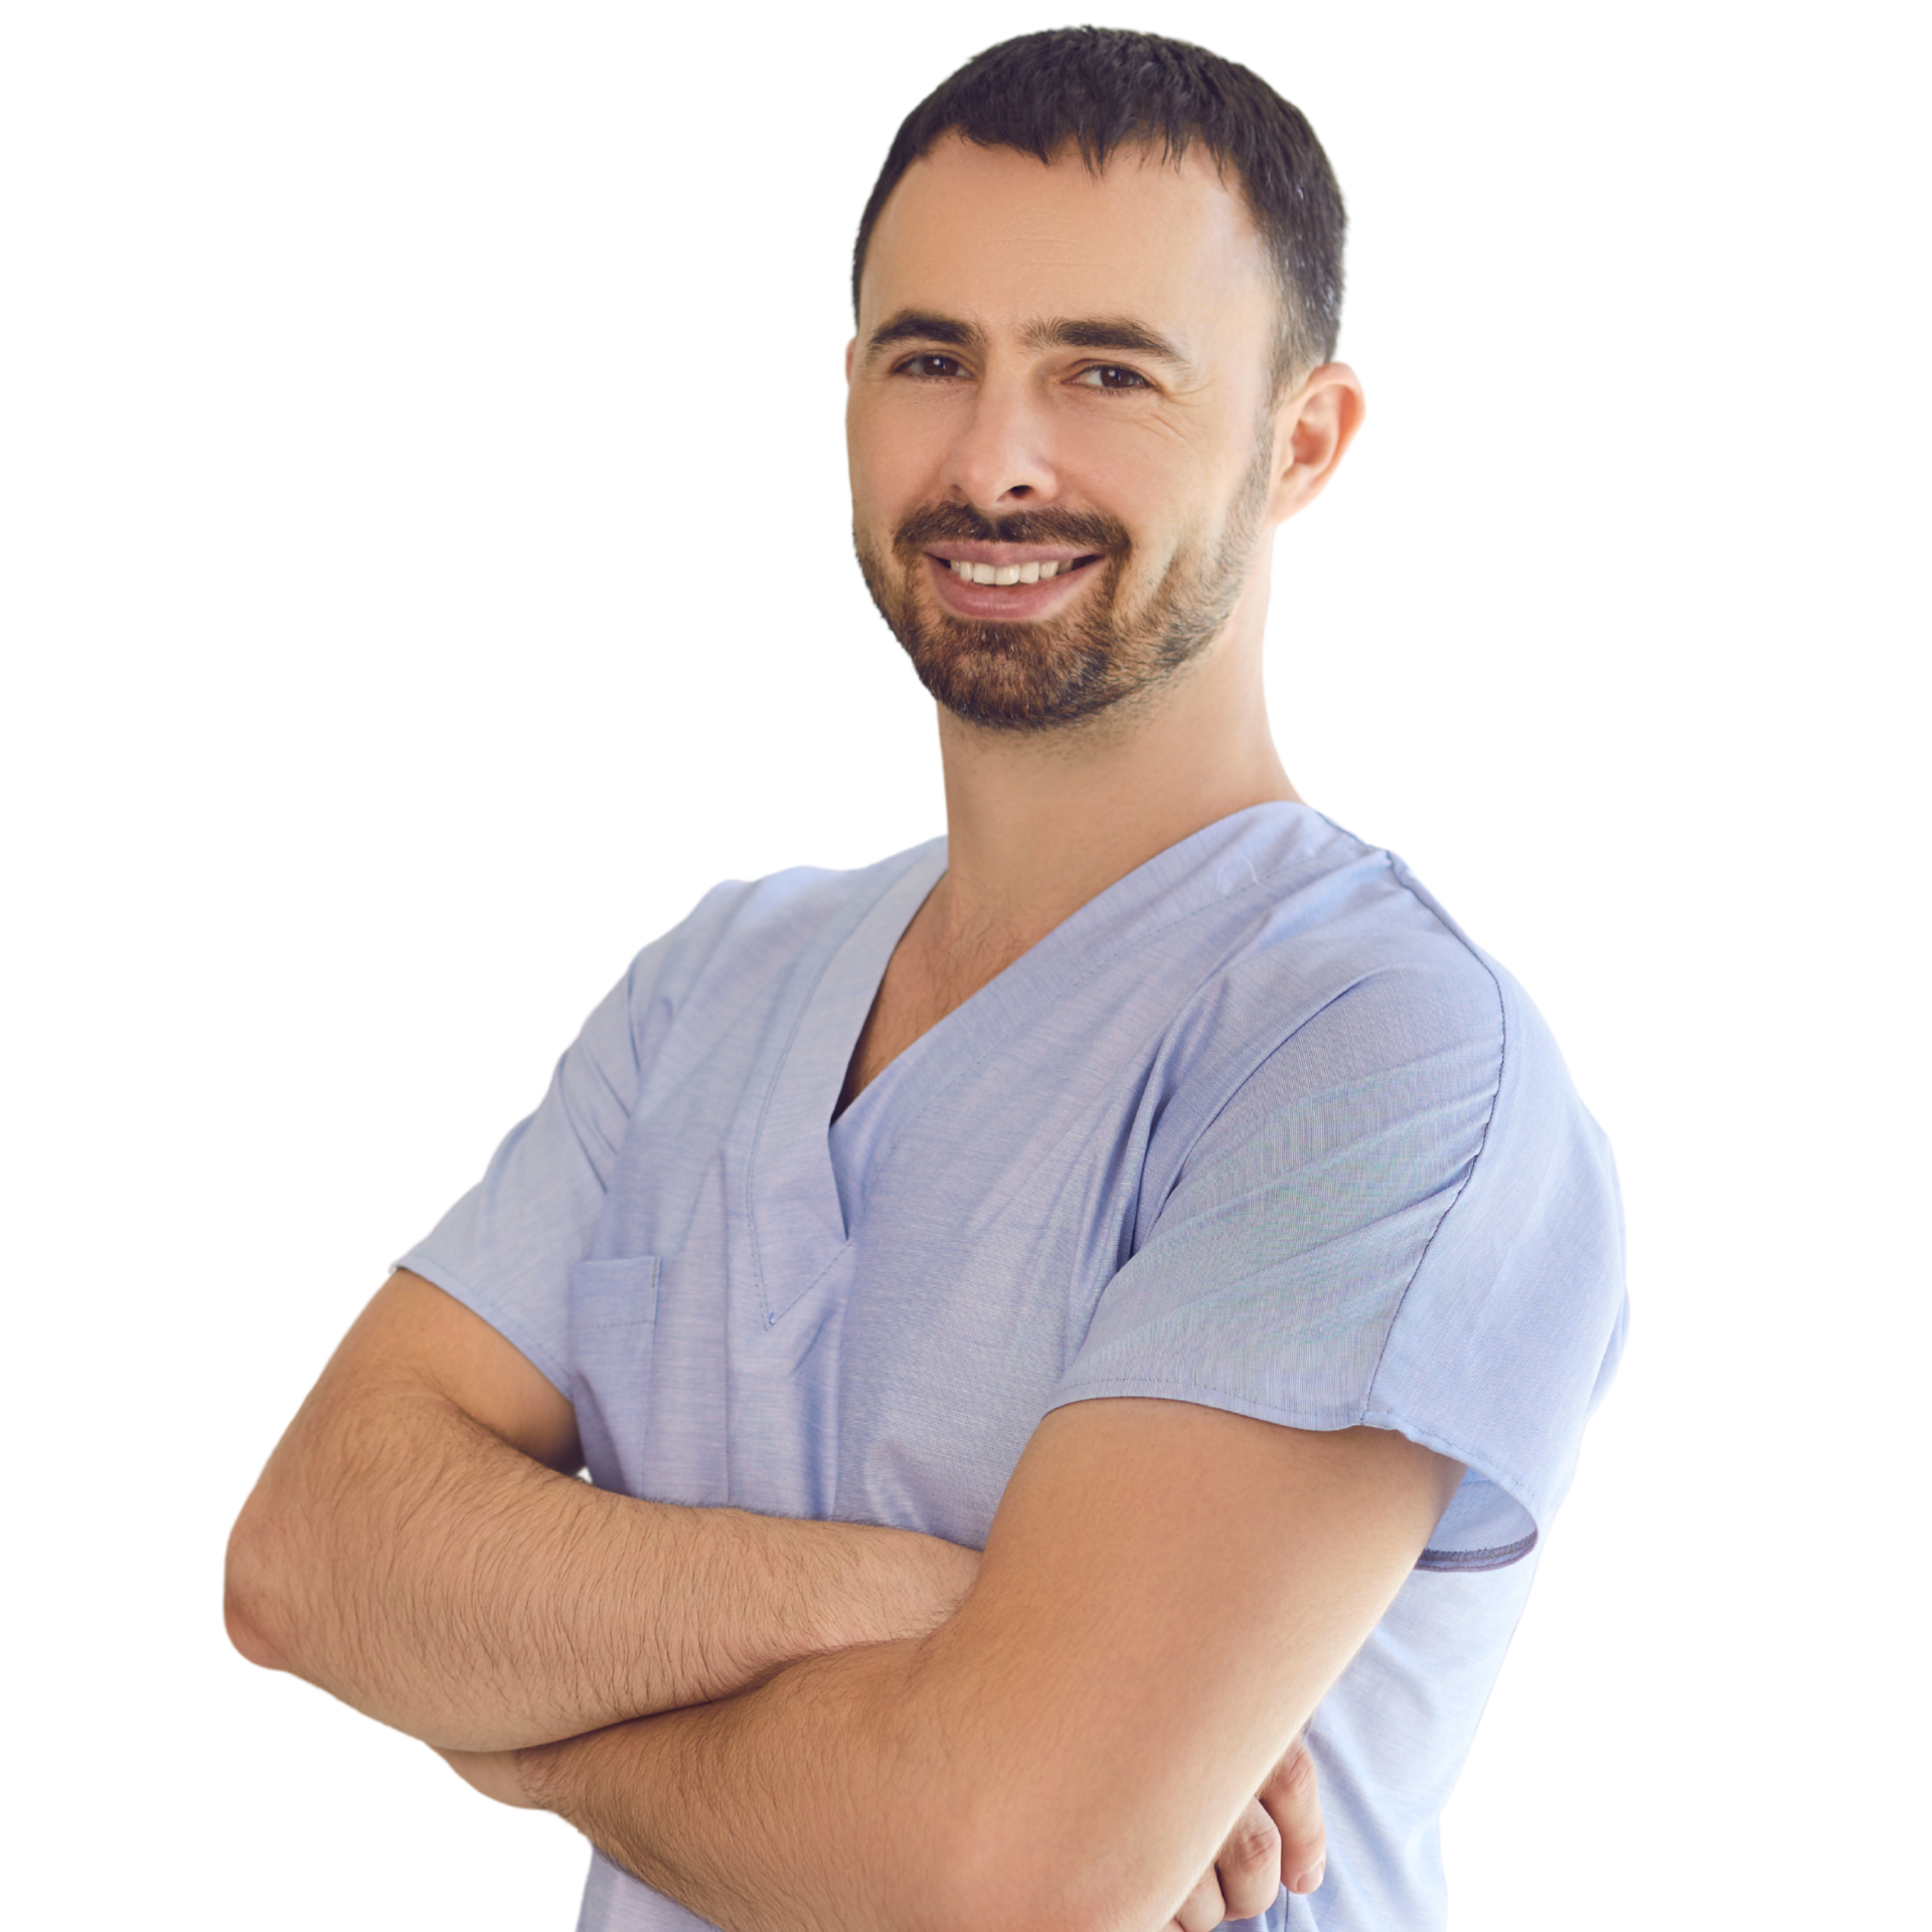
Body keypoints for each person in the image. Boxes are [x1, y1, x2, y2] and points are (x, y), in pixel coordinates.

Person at [225, 25, 1629, 1932]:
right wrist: (917, 1606)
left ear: (1305, 441)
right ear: (847, 396)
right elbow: (303, 1562)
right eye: (930, 359)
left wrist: (509, 1734)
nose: (993, 462)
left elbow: (997, 1876)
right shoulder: (716, 979)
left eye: (1107, 371)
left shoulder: (1376, 1051)